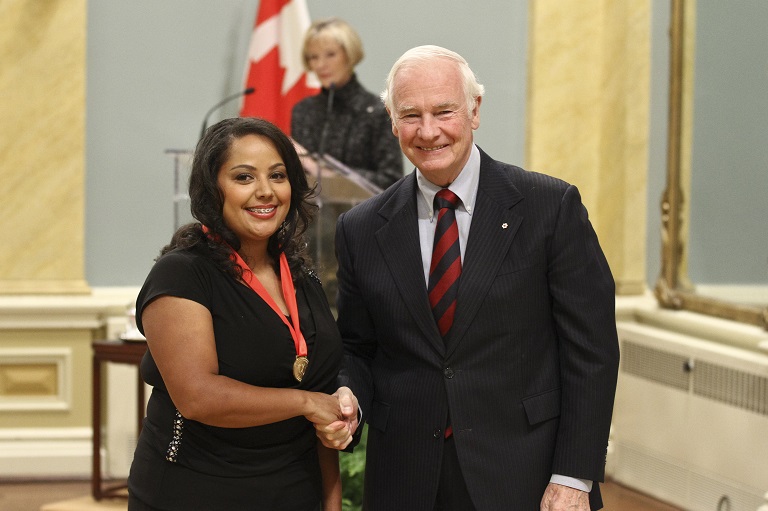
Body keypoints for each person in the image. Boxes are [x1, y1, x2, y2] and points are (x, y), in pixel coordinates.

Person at [321, 46, 620, 510]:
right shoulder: (361, 228)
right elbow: (359, 347)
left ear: (475, 110)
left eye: (444, 111)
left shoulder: (549, 207)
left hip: (528, 475)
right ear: (392, 120)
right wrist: (348, 396)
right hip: (405, 478)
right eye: (411, 115)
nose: (428, 131)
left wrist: (574, 476)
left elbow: (592, 351)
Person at [127, 117, 354, 511]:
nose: (265, 192)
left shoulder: (303, 278)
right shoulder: (182, 273)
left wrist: (332, 505)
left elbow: (323, 404)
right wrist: (304, 402)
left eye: (278, 175)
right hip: (194, 493)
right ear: (213, 189)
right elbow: (198, 397)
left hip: (294, 493)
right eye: (244, 177)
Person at [291, 17, 403, 190]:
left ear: (349, 55)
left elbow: (391, 180)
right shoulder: (303, 110)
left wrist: (330, 174)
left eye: (330, 55)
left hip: (366, 213)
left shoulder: (377, 111)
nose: (320, 65)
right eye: (313, 57)